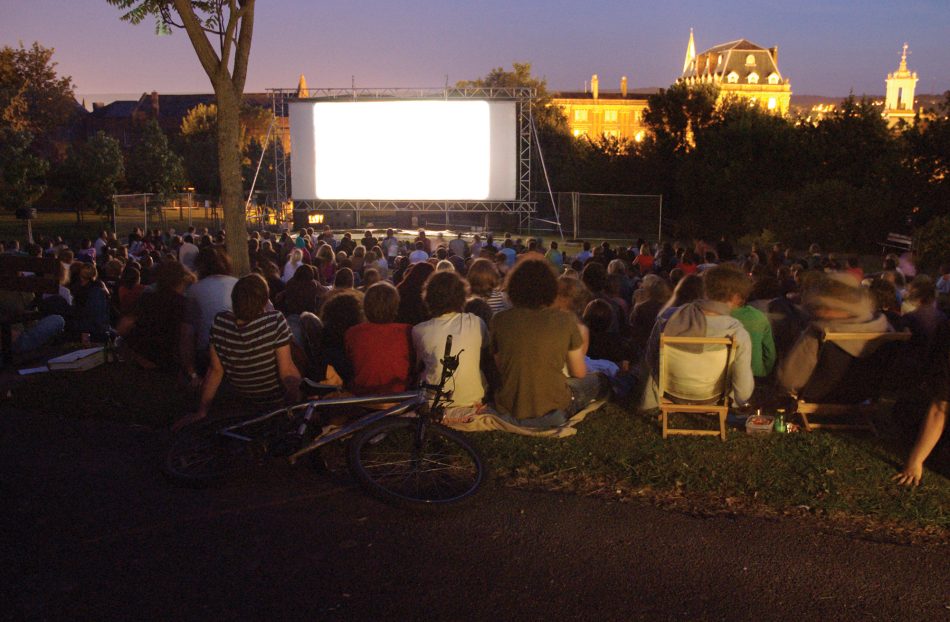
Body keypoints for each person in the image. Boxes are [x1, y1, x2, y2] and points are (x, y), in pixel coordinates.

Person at [173, 274, 300, 431]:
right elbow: (286, 371)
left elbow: (215, 371)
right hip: (273, 401)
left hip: (243, 397)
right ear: (263, 300)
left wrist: (202, 411)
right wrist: (298, 402)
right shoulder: (274, 321)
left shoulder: (220, 322)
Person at [490, 257, 604, 427]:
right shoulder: (566, 321)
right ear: (551, 287)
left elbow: (501, 367)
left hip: (508, 406)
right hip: (553, 408)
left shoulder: (499, 319)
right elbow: (578, 373)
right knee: (599, 380)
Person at [642, 265, 755, 410]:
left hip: (671, 391)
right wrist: (740, 400)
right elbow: (743, 388)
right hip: (712, 396)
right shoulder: (736, 332)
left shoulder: (668, 317)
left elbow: (650, 357)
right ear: (735, 297)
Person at [777, 273, 892, 395]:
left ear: (828, 304)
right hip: (863, 396)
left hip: (818, 397)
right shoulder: (882, 327)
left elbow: (790, 381)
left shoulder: (818, 333)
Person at [413, 271, 488, 410]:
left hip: (433, 403)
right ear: (462, 295)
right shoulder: (476, 322)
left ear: (429, 297)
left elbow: (418, 366)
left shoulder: (419, 330)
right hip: (471, 400)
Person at [118, 261, 194, 370]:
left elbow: (123, 326)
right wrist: (191, 371)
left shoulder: (145, 298)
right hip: (169, 363)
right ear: (180, 280)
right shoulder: (182, 303)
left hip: (143, 359)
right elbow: (186, 337)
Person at [180, 247, 238, 385]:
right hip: (238, 349)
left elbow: (186, 333)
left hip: (207, 353)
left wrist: (191, 372)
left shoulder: (194, 290)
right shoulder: (238, 283)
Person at [345, 282, 413, 395]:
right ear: (395, 306)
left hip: (363, 397)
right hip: (399, 398)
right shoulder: (407, 331)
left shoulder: (353, 333)